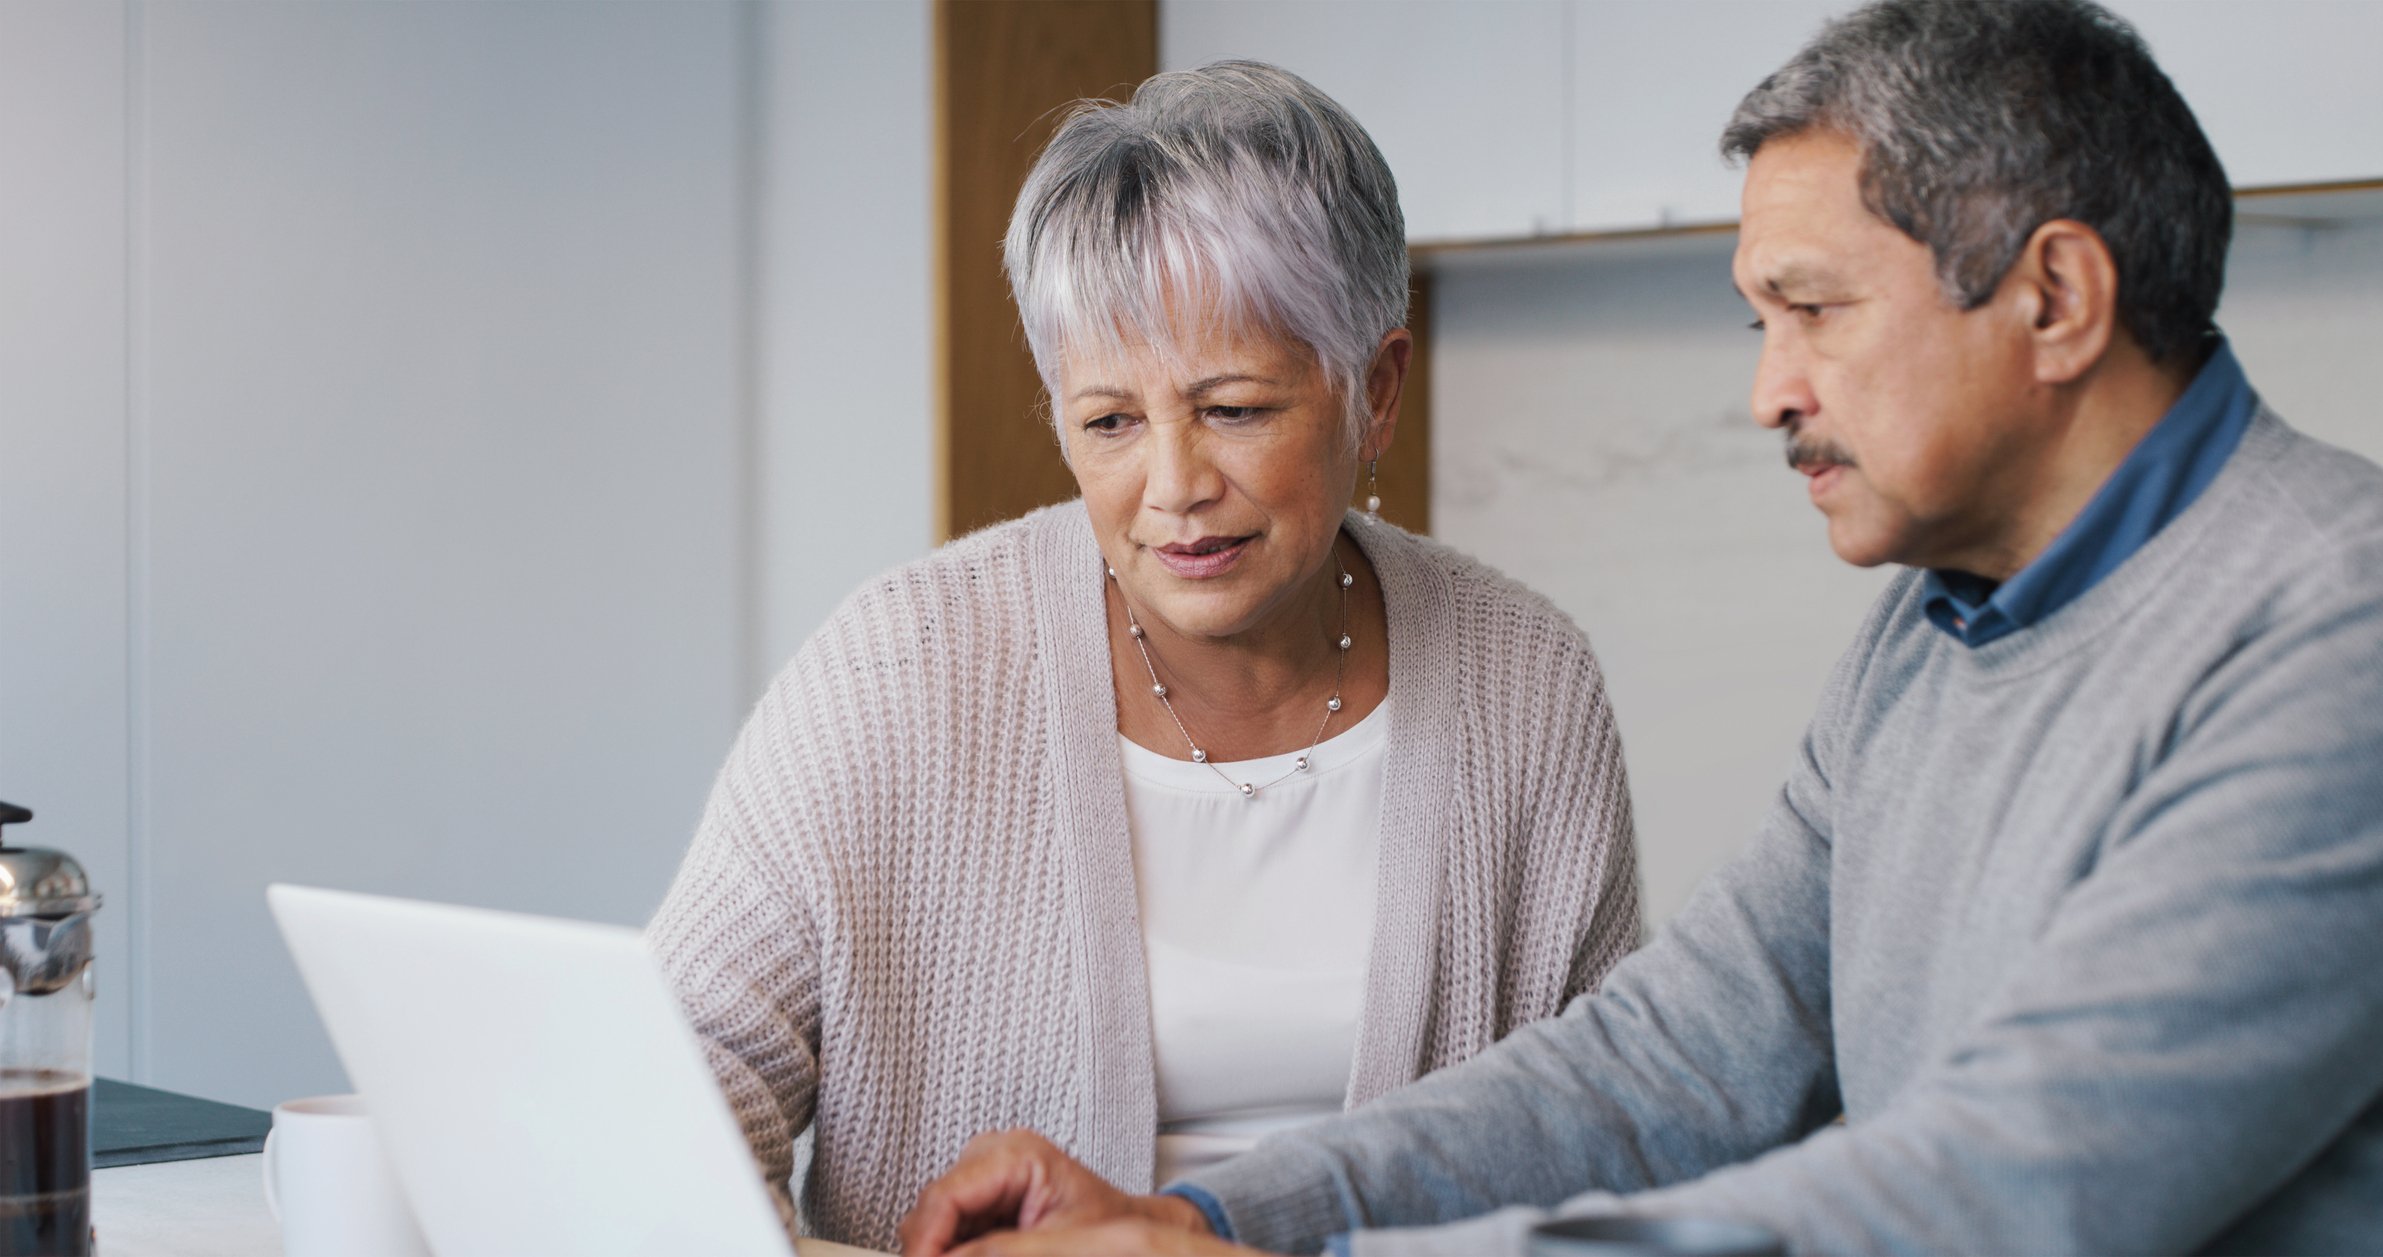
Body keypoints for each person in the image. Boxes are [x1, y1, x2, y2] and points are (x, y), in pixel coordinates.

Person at [897, 3, 2383, 1254]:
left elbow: (2001, 1186)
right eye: (1759, 325)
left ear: (2053, 296)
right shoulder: (1925, 633)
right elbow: (1673, 1058)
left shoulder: (2334, 633)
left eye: (1812, 311)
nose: (1769, 393)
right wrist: (1218, 1220)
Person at [645, 62, 1640, 1252]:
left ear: (1374, 392)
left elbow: (1617, 1131)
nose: (1173, 490)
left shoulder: (1525, 682)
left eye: (1234, 409)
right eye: (1110, 421)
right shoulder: (899, 666)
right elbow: (668, 1083)